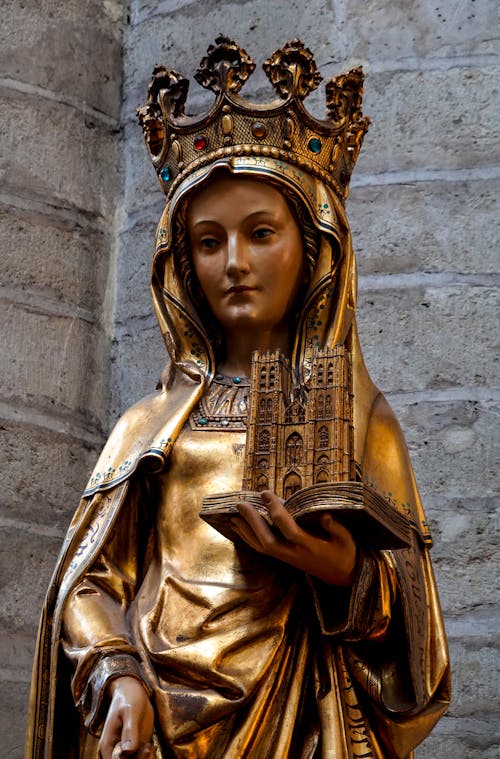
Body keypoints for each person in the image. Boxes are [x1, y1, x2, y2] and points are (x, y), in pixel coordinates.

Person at [25, 38, 450, 759]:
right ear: (183, 261)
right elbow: (90, 582)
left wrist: (338, 567)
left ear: (312, 245)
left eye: (261, 234)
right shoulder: (152, 424)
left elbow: (417, 636)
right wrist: (117, 668)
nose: (236, 264)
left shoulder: (358, 419)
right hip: (152, 722)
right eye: (209, 241)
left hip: (300, 717)